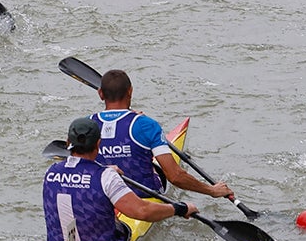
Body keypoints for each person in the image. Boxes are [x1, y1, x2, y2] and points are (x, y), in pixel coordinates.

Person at [43, 116, 197, 241]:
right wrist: (180, 208)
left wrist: (104, 170)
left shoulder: (50, 172)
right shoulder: (106, 176)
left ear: (68, 143)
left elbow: (80, 174)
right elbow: (143, 211)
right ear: (98, 143)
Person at [91, 69, 238, 207]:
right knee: (152, 161)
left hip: (101, 197)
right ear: (130, 91)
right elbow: (175, 177)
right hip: (143, 196)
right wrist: (212, 190)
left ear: (100, 94)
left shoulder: (85, 125)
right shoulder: (146, 125)